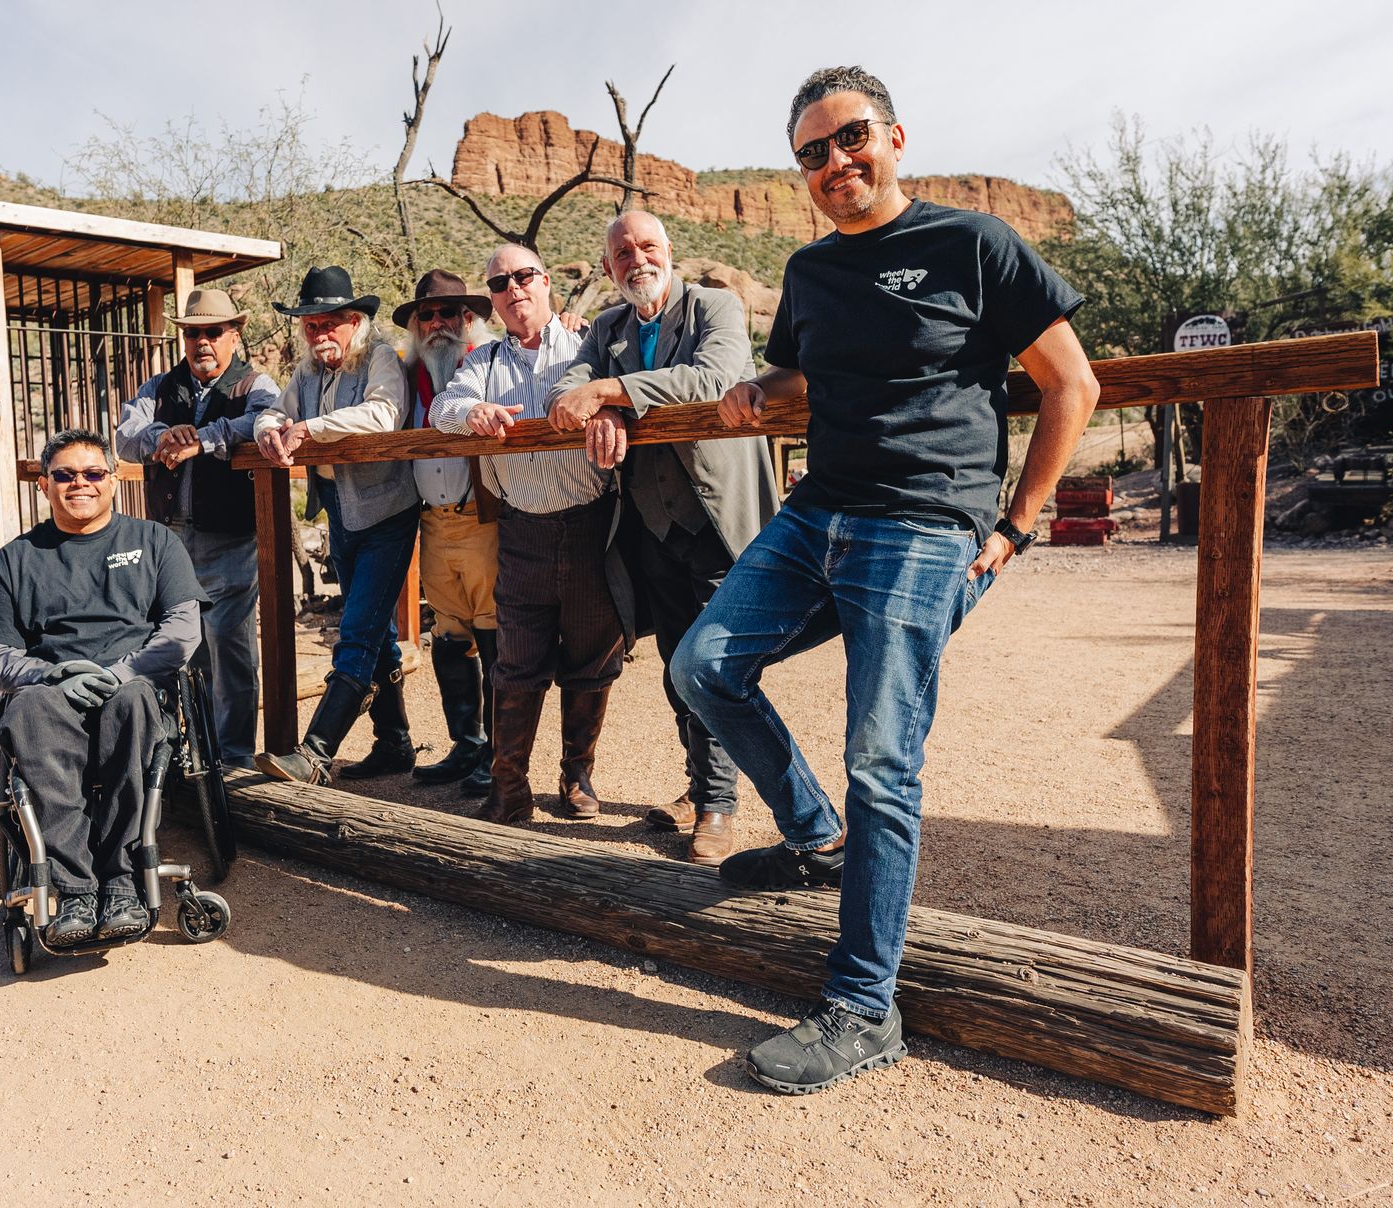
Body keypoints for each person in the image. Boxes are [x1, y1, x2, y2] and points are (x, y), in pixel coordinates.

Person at [673, 66, 1099, 1093]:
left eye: (849, 138)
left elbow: (1070, 383)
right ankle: (814, 839)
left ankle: (864, 1008)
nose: (833, 163)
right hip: (819, 509)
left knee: (882, 757)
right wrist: (752, 390)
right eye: (811, 152)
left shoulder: (973, 245)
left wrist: (1013, 528)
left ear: (895, 137)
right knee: (702, 666)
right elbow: (800, 376)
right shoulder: (810, 273)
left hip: (924, 521)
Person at [548, 209, 778, 864]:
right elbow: (569, 387)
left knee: (716, 665)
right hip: (648, 528)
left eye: (648, 246)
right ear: (607, 268)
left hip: (715, 519)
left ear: (670, 251)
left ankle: (717, 808)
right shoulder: (609, 327)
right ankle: (699, 786)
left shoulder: (715, 306)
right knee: (680, 668)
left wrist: (614, 394)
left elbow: (715, 380)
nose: (637, 259)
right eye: (622, 252)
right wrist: (598, 400)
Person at [0, 428, 206, 947]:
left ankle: (121, 882)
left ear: (114, 481)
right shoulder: (15, 559)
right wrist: (51, 674)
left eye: (94, 473)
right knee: (29, 713)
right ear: (44, 484)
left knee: (133, 702)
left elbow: (184, 630)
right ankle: (74, 889)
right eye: (65, 474)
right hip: (51, 694)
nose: (81, 484)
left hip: (133, 686)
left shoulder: (155, 542)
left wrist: (120, 673)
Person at [428, 244, 632, 824]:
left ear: (546, 282)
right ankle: (509, 784)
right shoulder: (482, 362)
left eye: (524, 276)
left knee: (593, 656)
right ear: (491, 301)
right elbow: (445, 403)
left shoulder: (589, 344)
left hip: (591, 523)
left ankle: (576, 775)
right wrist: (471, 414)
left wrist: (612, 404)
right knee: (516, 661)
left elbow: (628, 388)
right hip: (522, 530)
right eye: (499, 284)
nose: (513, 289)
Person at [253, 265, 420, 786]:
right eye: (311, 326)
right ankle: (394, 744)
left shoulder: (379, 358)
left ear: (354, 321)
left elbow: (383, 416)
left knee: (356, 632)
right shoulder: (306, 374)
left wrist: (309, 429)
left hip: (388, 513)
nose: (320, 334)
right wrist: (269, 430)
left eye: (330, 323)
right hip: (342, 513)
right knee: (378, 634)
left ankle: (316, 753)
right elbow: (273, 413)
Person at [115, 287, 280, 769]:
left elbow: (263, 421)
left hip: (229, 537)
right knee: (180, 647)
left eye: (212, 332)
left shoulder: (255, 385)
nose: (201, 342)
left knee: (230, 645)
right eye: (192, 333)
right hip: (169, 539)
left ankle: (233, 756)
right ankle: (196, 753)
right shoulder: (158, 388)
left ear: (234, 334)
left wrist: (203, 440)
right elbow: (125, 437)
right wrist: (161, 436)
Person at [393, 269, 502, 790]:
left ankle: (502, 757)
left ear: (470, 319)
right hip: (432, 526)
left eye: (449, 313)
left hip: (482, 521)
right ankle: (468, 744)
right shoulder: (403, 377)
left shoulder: (489, 365)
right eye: (427, 315)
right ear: (416, 324)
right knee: (449, 634)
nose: (438, 323)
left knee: (494, 631)